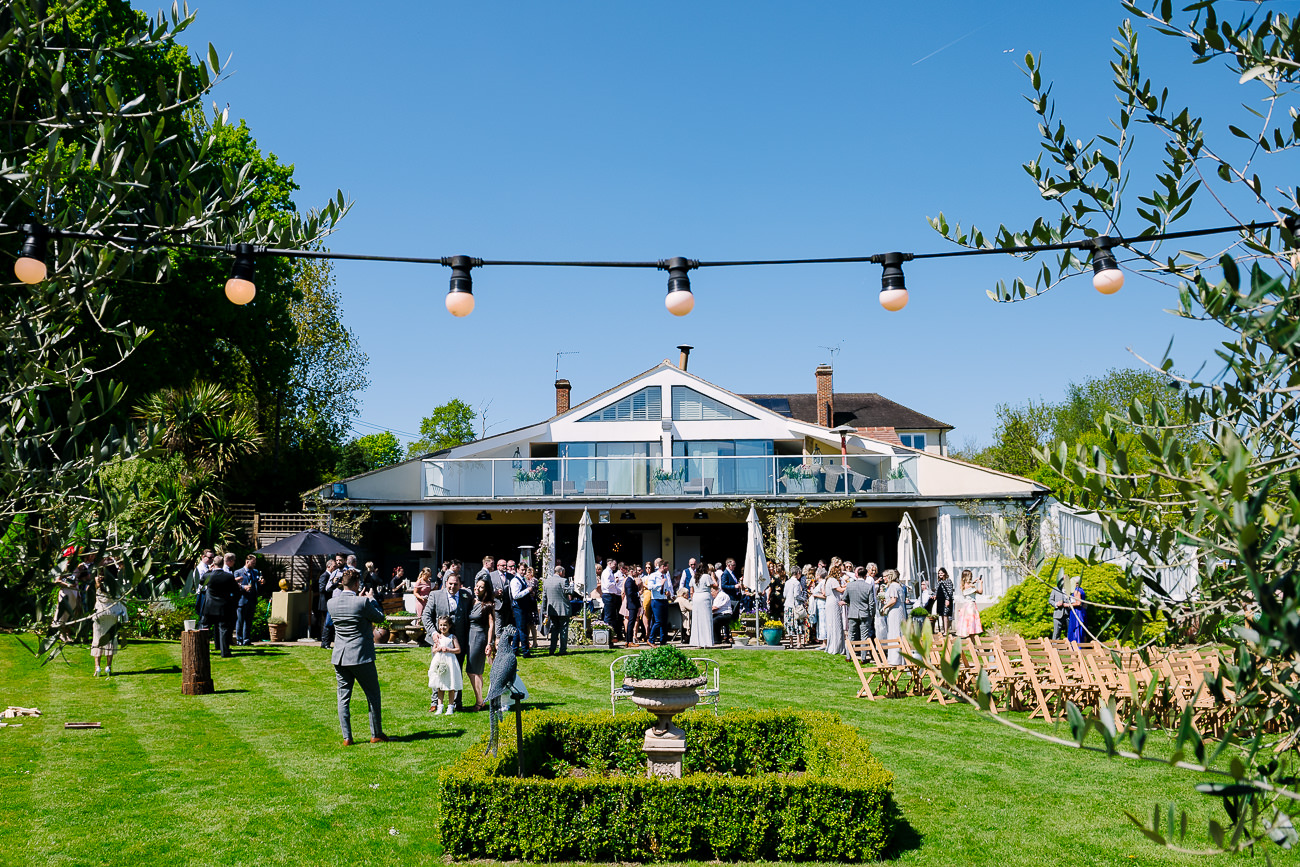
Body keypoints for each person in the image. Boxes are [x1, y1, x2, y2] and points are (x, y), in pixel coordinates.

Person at [327, 569, 388, 745]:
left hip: (339, 656)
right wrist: (371, 599)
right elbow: (380, 618)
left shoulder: (332, 603)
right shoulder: (363, 602)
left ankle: (347, 738)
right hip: (361, 656)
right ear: (356, 584)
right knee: (372, 694)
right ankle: (376, 734)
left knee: (343, 697)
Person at [424, 567, 472, 709]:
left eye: (455, 584)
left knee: (457, 670)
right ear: (445, 583)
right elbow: (426, 616)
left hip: (459, 640)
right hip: (440, 640)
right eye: (450, 584)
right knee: (439, 669)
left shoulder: (466, 595)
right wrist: (434, 633)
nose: (452, 587)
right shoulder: (435, 595)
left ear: (460, 584)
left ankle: (457, 703)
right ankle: (435, 703)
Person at [464, 578, 496, 711]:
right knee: (474, 671)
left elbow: (491, 625)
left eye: (481, 587)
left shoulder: (488, 604)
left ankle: (480, 701)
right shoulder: (472, 601)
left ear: (486, 590)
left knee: (473, 671)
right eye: (476, 586)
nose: (477, 588)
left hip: (479, 637)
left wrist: (489, 643)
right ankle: (480, 699)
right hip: (469, 636)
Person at [202, 554, 239, 658]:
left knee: (205, 628)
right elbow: (236, 591)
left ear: (213, 564)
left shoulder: (209, 575)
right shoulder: (228, 576)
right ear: (223, 564)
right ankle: (225, 652)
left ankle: (203, 649)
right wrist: (232, 602)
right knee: (223, 629)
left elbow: (201, 581)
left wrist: (209, 570)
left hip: (209, 606)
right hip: (223, 606)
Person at [90, 573, 124, 676]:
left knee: (97, 639)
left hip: (100, 613)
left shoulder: (98, 586)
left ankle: (97, 667)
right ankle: (108, 667)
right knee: (110, 640)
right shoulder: (114, 586)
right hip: (112, 613)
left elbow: (94, 580)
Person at [428, 615, 462, 715]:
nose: (443, 627)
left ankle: (450, 706)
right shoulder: (438, 638)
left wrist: (449, 650)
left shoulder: (452, 637)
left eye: (445, 625)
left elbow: (458, 649)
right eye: (441, 625)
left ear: (449, 625)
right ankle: (440, 706)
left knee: (450, 684)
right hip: (440, 662)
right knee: (440, 685)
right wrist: (438, 649)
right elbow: (434, 650)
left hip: (450, 661)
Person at [843, 566, 875, 661]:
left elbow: (845, 598)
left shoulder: (849, 585)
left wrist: (851, 603)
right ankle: (863, 657)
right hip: (865, 614)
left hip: (852, 612)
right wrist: (872, 614)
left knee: (851, 635)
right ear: (865, 575)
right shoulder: (868, 587)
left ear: (856, 575)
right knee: (864, 636)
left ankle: (849, 656)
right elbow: (871, 603)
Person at [234, 554, 263, 646]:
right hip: (242, 600)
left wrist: (261, 583)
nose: (254, 565)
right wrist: (243, 587)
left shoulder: (255, 572)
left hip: (252, 600)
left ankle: (246, 639)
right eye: (253, 563)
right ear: (247, 562)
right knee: (240, 620)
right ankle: (239, 639)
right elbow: (234, 586)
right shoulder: (238, 572)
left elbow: (257, 584)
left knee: (249, 621)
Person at [543, 566, 571, 655]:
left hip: (552, 610)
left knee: (554, 630)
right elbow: (569, 592)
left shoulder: (546, 582)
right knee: (563, 630)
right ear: (561, 572)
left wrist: (544, 610)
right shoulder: (563, 581)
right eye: (564, 572)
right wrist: (572, 585)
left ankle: (552, 649)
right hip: (563, 609)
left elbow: (544, 597)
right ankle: (562, 650)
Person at [880, 569, 905, 665]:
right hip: (899, 610)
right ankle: (897, 657)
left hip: (895, 611)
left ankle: (895, 659)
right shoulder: (898, 585)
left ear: (889, 577)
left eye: (885, 576)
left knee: (894, 632)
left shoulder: (893, 586)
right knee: (897, 632)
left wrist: (884, 607)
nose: (883, 578)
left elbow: (893, 600)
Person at [689, 561, 715, 648]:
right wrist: (713, 577)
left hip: (696, 597)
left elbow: (691, 590)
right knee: (706, 619)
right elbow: (715, 586)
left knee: (697, 620)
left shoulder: (694, 577)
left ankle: (698, 642)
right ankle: (706, 642)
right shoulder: (706, 576)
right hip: (704, 597)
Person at [954, 569, 984, 639]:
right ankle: (972, 646)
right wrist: (980, 583)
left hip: (965, 606)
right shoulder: (971, 586)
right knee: (971, 627)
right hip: (971, 606)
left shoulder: (962, 585)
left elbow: (968, 586)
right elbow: (980, 591)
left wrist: (974, 582)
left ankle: (971, 645)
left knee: (967, 626)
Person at [824, 563, 846, 655]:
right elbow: (840, 590)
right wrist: (850, 586)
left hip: (829, 601)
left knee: (831, 623)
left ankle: (833, 645)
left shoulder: (828, 580)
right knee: (835, 624)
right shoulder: (833, 580)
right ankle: (835, 647)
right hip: (833, 602)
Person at [1049, 571, 1070, 641]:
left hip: (1068, 614)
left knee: (1070, 632)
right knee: (1056, 633)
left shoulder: (1070, 590)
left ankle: (1070, 648)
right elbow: (1050, 600)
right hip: (1058, 614)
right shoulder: (1055, 589)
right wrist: (1056, 604)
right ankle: (1055, 648)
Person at [934, 567, 956, 635]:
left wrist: (947, 599)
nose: (940, 574)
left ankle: (946, 631)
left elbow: (949, 591)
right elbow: (937, 590)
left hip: (946, 599)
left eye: (941, 573)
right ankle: (944, 630)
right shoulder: (939, 581)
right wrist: (935, 595)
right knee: (942, 615)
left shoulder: (948, 580)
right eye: (939, 573)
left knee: (946, 615)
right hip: (940, 600)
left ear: (944, 573)